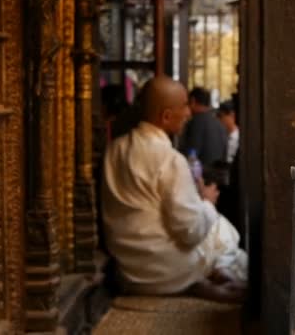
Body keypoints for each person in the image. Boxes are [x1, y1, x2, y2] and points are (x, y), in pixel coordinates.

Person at [102, 76, 247, 302]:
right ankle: (211, 276)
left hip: (129, 270)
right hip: (165, 270)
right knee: (223, 230)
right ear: (166, 116)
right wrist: (207, 201)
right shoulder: (170, 160)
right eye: (184, 107)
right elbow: (190, 232)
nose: (189, 113)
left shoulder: (115, 149)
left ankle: (207, 278)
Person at [179, 87, 227, 166]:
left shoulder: (196, 122)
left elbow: (192, 155)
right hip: (220, 175)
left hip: (202, 175)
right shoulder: (219, 123)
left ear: (193, 101)